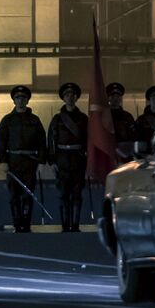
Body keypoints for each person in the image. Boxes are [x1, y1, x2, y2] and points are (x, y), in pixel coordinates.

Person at [0, 85, 45, 233]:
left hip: (30, 162)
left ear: (27, 100)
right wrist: (2, 160)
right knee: (14, 195)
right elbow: (1, 141)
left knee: (28, 195)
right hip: (13, 162)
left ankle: (26, 223)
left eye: (23, 98)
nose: (20, 100)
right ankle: (17, 223)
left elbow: (42, 142)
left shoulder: (35, 120)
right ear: (14, 100)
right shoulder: (8, 120)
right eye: (18, 98)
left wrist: (41, 162)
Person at [48, 82, 89, 232]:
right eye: (67, 95)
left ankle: (76, 225)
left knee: (77, 194)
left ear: (76, 97)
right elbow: (51, 140)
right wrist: (52, 161)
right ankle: (65, 225)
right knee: (63, 194)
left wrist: (88, 159)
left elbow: (88, 139)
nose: (70, 97)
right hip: (62, 160)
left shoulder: (83, 118)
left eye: (72, 95)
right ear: (63, 98)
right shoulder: (57, 119)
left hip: (78, 159)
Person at [105, 82, 136, 162]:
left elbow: (133, 136)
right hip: (108, 155)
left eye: (118, 96)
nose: (115, 98)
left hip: (125, 155)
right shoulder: (103, 116)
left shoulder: (127, 116)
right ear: (108, 98)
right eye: (112, 96)